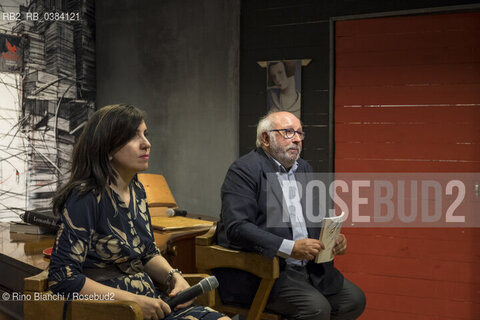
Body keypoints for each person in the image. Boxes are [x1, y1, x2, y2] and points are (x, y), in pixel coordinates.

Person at [48, 104, 229, 320]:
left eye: (145, 134)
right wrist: (131, 301)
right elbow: (63, 278)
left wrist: (174, 277)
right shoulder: (86, 196)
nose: (147, 144)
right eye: (134, 137)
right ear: (107, 148)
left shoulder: (137, 189)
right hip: (114, 313)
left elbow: (147, 253)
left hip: (154, 304)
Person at [216, 111, 366, 320]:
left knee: (353, 300)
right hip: (264, 269)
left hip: (309, 268)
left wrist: (332, 239)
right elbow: (237, 227)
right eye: (288, 132)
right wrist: (290, 248)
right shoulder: (243, 170)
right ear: (266, 138)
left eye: (299, 133)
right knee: (316, 309)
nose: (296, 138)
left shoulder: (304, 169)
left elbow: (317, 217)